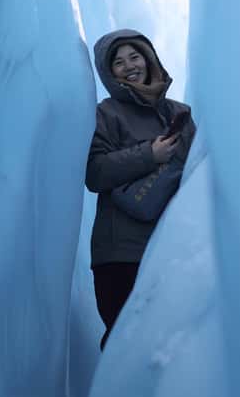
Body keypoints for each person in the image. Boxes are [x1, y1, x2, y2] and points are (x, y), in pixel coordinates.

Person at [85, 29, 196, 350]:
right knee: (124, 342)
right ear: (109, 72)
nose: (129, 65)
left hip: (171, 247)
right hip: (120, 253)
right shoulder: (106, 113)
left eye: (135, 56)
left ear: (149, 58)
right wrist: (150, 155)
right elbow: (95, 172)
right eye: (118, 62)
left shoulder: (180, 114)